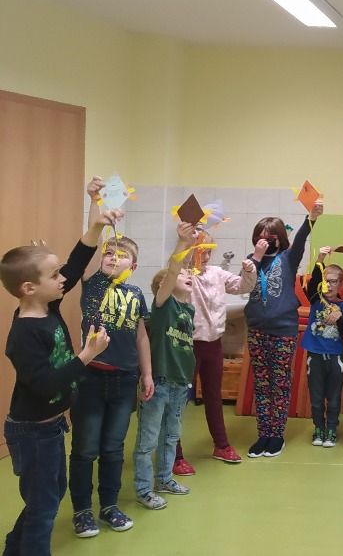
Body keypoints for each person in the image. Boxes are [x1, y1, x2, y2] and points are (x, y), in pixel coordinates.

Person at [1, 177, 115, 556]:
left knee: (47, 497)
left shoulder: (47, 305)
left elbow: (77, 262)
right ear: (28, 289)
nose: (63, 278)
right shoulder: (23, 334)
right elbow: (46, 384)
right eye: (54, 275)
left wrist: (96, 224)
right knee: (44, 507)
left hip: (51, 428)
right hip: (31, 431)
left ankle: (13, 548)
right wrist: (86, 356)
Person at [69, 191, 154, 537]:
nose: (113, 257)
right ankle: (82, 511)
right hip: (90, 379)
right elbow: (91, 242)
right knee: (85, 449)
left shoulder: (136, 294)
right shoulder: (93, 285)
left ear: (133, 266)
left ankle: (109, 506)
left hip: (124, 381)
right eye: (109, 252)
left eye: (122, 255)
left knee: (113, 448)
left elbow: (141, 337)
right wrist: (95, 204)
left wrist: (147, 374)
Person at [172, 230, 256, 473]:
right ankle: (174, 454)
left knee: (213, 397)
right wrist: (183, 248)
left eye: (208, 250)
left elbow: (243, 285)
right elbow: (171, 278)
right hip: (187, 345)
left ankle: (221, 445)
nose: (205, 255)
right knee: (178, 400)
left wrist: (249, 270)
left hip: (213, 344)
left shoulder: (217, 273)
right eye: (200, 250)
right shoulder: (182, 275)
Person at [244, 203, 319, 458]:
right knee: (262, 384)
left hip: (283, 331)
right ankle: (263, 434)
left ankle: (277, 435)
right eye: (259, 237)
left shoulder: (288, 258)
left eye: (269, 238)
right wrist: (255, 256)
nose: (264, 242)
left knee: (280, 383)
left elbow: (301, 239)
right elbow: (244, 283)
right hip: (257, 330)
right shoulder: (251, 261)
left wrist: (311, 218)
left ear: (279, 239)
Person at [133, 223, 199, 510]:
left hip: (180, 383)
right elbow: (172, 271)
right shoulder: (163, 306)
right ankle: (143, 489)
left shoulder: (188, 309)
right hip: (159, 382)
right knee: (148, 439)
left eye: (188, 274)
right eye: (182, 275)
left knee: (171, 436)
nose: (187, 275)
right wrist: (182, 245)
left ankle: (164, 479)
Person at [302, 247, 343, 447]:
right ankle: (319, 428)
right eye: (326, 281)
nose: (329, 285)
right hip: (315, 356)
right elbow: (313, 281)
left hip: (334, 357)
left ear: (340, 284)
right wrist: (320, 258)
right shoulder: (316, 299)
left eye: (333, 281)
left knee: (333, 397)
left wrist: (340, 317)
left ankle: (331, 429)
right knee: (316, 398)